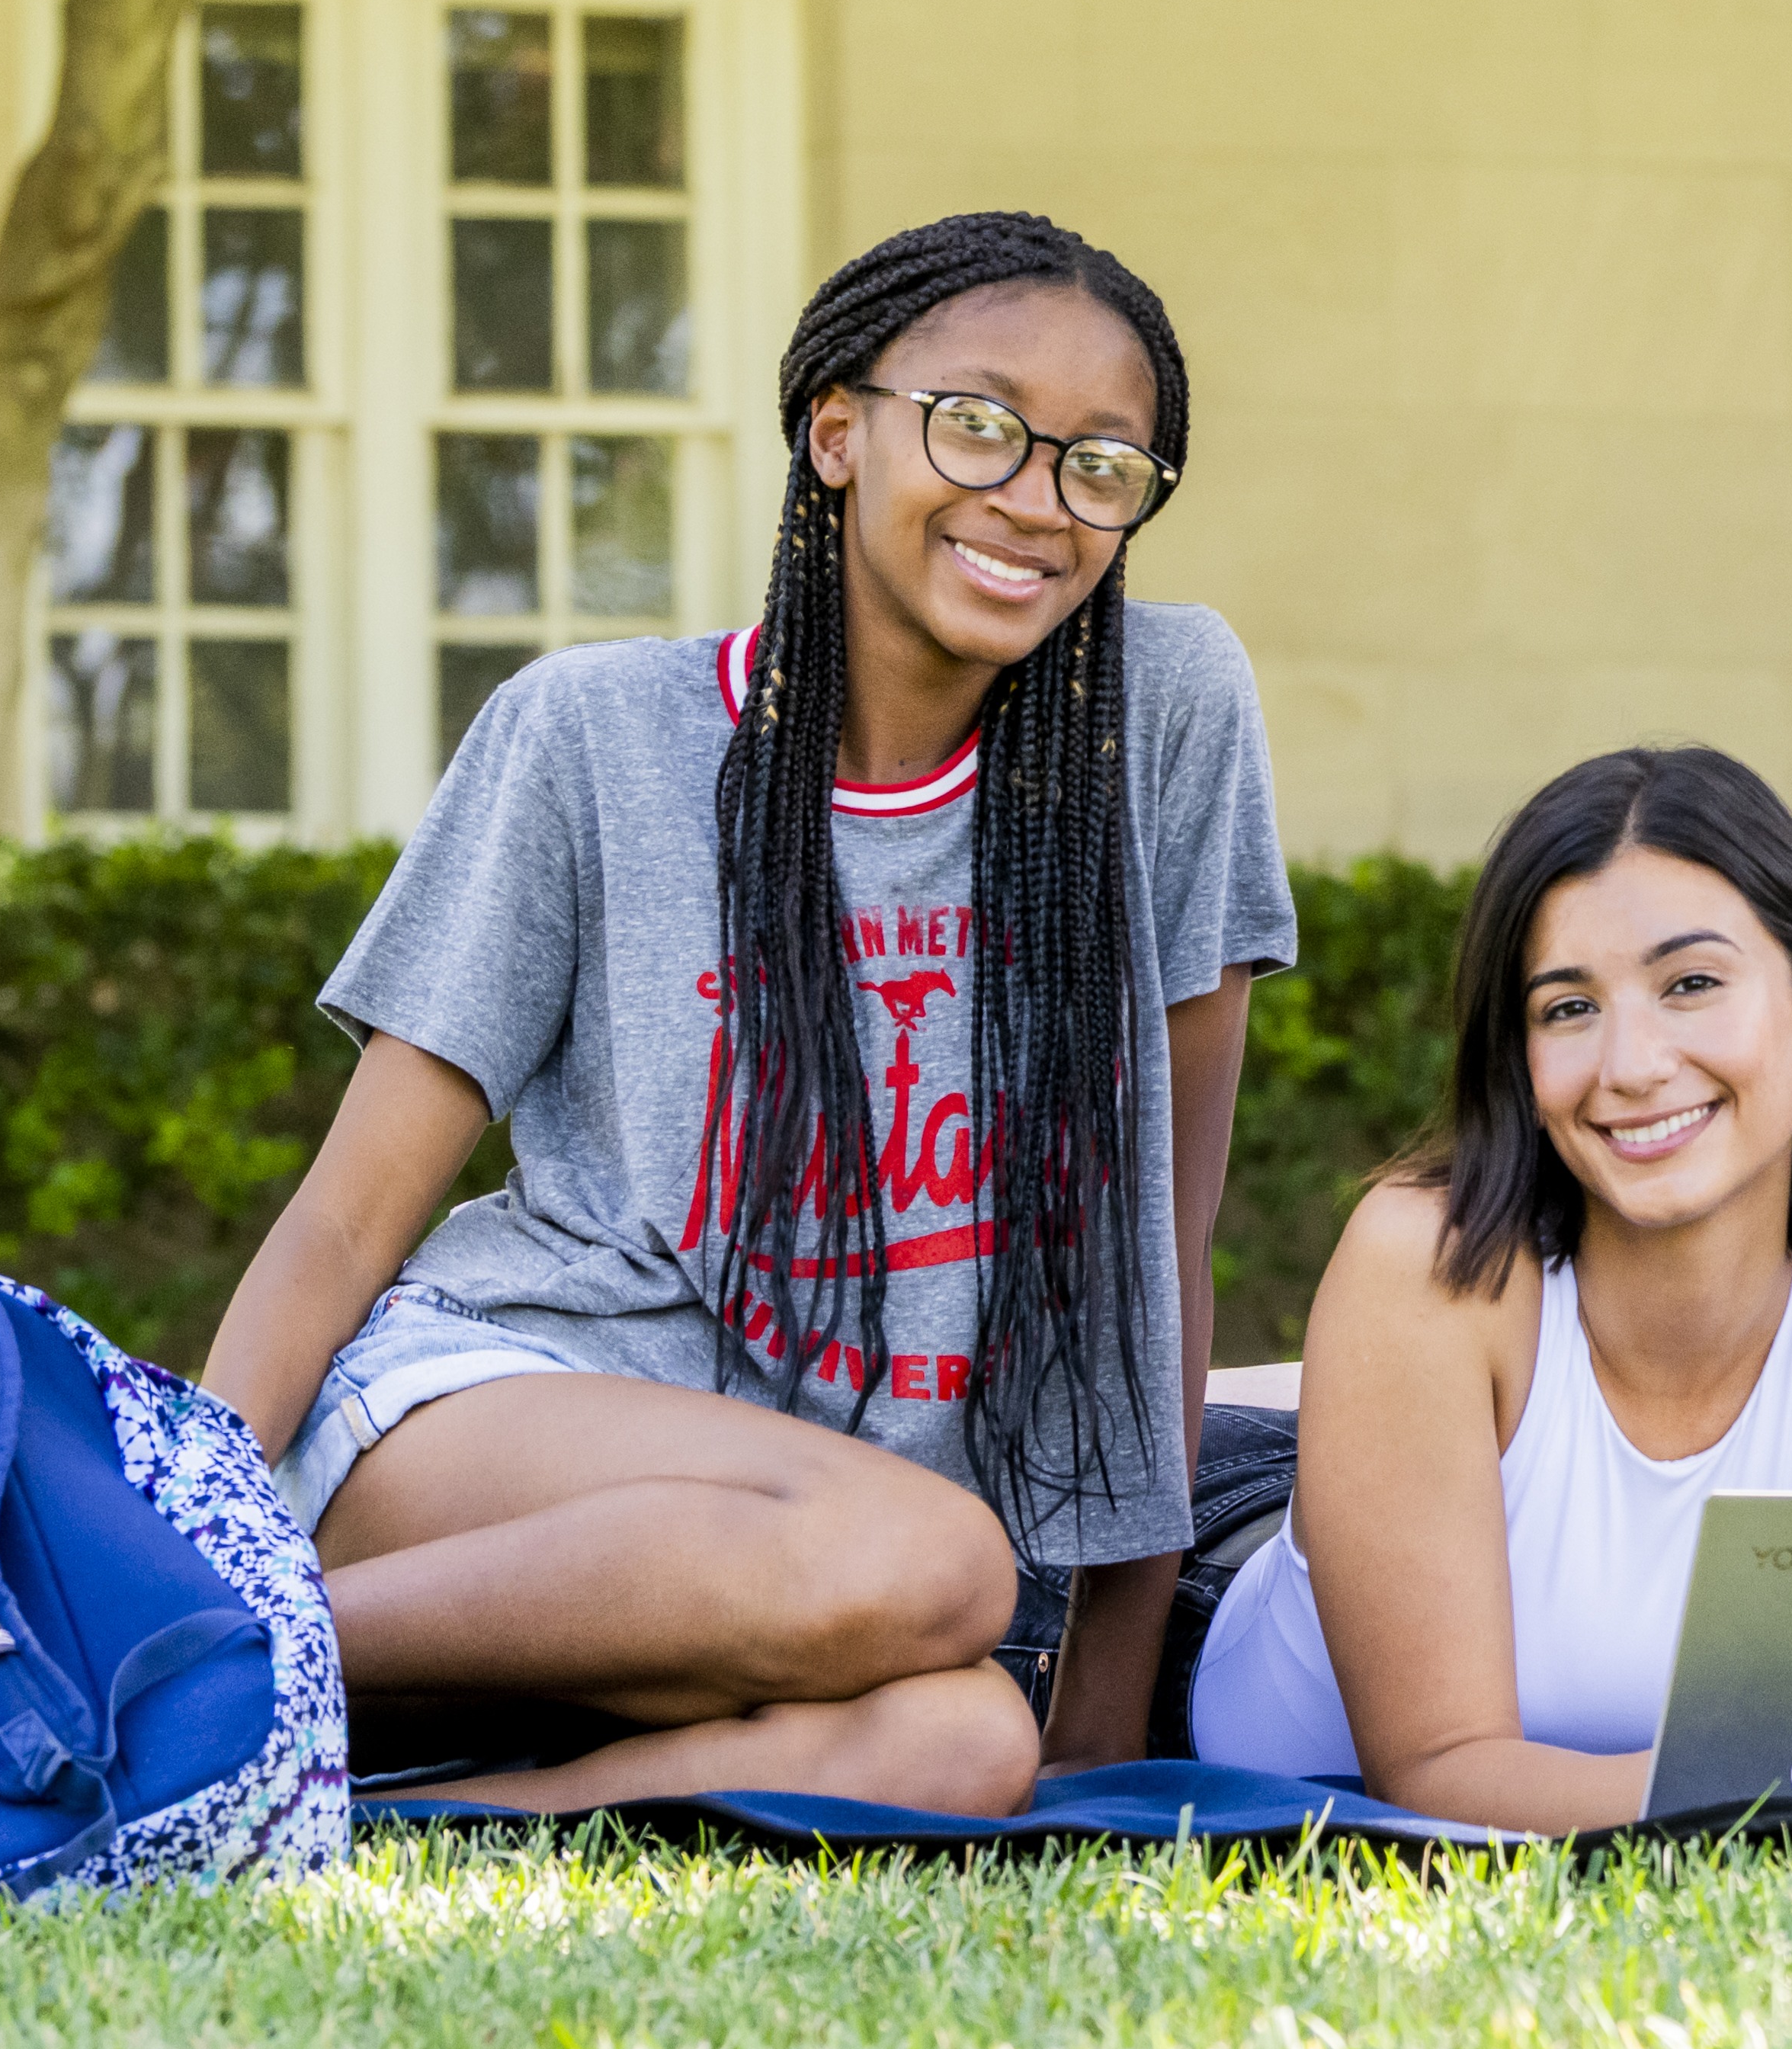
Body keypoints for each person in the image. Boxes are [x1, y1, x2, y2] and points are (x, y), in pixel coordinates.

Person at [204, 211, 1289, 1810]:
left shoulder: (1168, 717)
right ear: (838, 432)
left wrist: (1099, 1729)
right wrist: (180, 1535)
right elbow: (346, 1222)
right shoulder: (591, 734)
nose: (1034, 500)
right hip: (500, 1424)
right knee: (934, 1558)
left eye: (1101, 464)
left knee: (967, 1743)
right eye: (978, 424)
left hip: (835, 1570)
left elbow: (1161, 1245)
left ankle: (420, 1805)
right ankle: (186, 1655)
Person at [1182, 749, 1792, 1826]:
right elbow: (1440, 1774)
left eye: (1691, 984)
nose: (1629, 1063)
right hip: (1221, 1605)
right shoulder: (1427, 1260)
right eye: (1568, 1007)